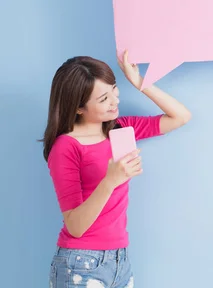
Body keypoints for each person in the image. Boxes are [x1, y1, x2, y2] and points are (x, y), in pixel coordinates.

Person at [43, 51, 191, 288]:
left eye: (114, 90)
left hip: (120, 261)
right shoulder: (66, 146)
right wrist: (110, 181)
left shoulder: (122, 129)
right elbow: (75, 226)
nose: (115, 101)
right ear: (78, 108)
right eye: (103, 99)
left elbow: (181, 116)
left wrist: (140, 83)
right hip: (81, 263)